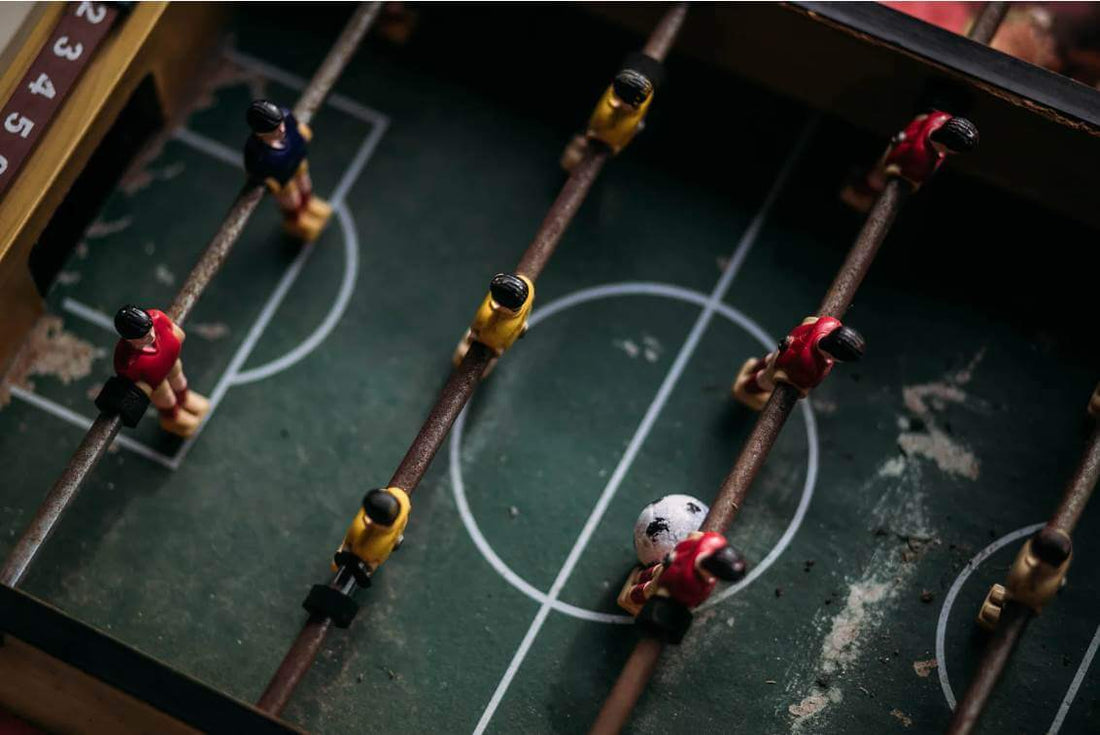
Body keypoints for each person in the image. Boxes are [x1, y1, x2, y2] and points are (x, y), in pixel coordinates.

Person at [244, 99, 333, 241]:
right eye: (275, 129)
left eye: (281, 124)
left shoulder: (285, 117)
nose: (282, 129)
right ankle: (296, 221)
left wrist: (301, 132)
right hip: (282, 177)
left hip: (297, 161)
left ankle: (309, 204)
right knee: (292, 200)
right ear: (261, 133)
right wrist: (267, 181)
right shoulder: (256, 151)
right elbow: (253, 171)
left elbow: (297, 126)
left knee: (305, 185)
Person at [113, 305, 208, 437]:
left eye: (150, 330)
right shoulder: (126, 359)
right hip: (155, 382)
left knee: (180, 382)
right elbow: (130, 381)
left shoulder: (157, 318)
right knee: (167, 399)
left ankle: (184, 400)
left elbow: (177, 332)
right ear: (129, 340)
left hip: (171, 362)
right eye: (143, 337)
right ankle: (172, 418)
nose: (151, 336)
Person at [733, 317, 865, 410]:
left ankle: (752, 367)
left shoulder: (829, 323)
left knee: (767, 360)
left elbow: (811, 320)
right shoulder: (809, 364)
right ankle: (745, 389)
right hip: (782, 366)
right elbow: (809, 382)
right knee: (762, 379)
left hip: (785, 348)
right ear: (832, 354)